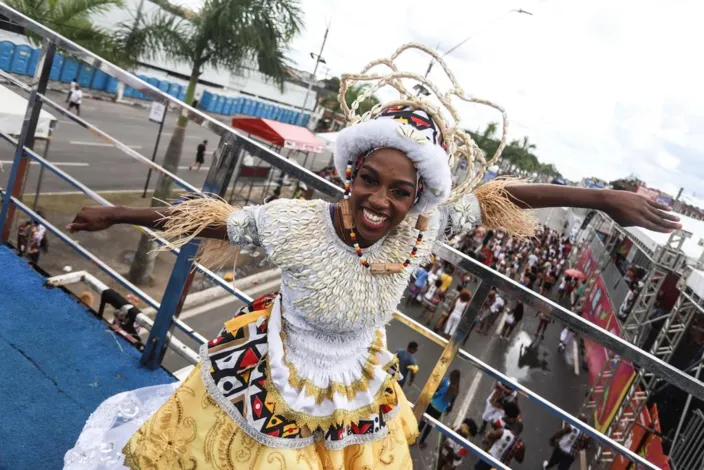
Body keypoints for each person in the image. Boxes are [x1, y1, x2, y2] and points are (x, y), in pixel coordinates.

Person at [64, 43, 680, 470]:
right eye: (369, 180)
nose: (379, 201)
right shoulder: (295, 225)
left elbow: (502, 196)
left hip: (357, 381)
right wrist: (114, 213)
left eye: (401, 190)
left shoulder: (426, 227)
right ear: (349, 172)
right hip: (276, 372)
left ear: (420, 198)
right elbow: (212, 216)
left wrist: (601, 198)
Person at [418, 370, 461, 449]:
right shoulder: (456, 391)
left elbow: (435, 389)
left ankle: (414, 437)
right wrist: (448, 410)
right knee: (429, 426)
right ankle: (421, 442)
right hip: (439, 411)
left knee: (423, 421)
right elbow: (451, 403)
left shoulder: (445, 381)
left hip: (432, 404)